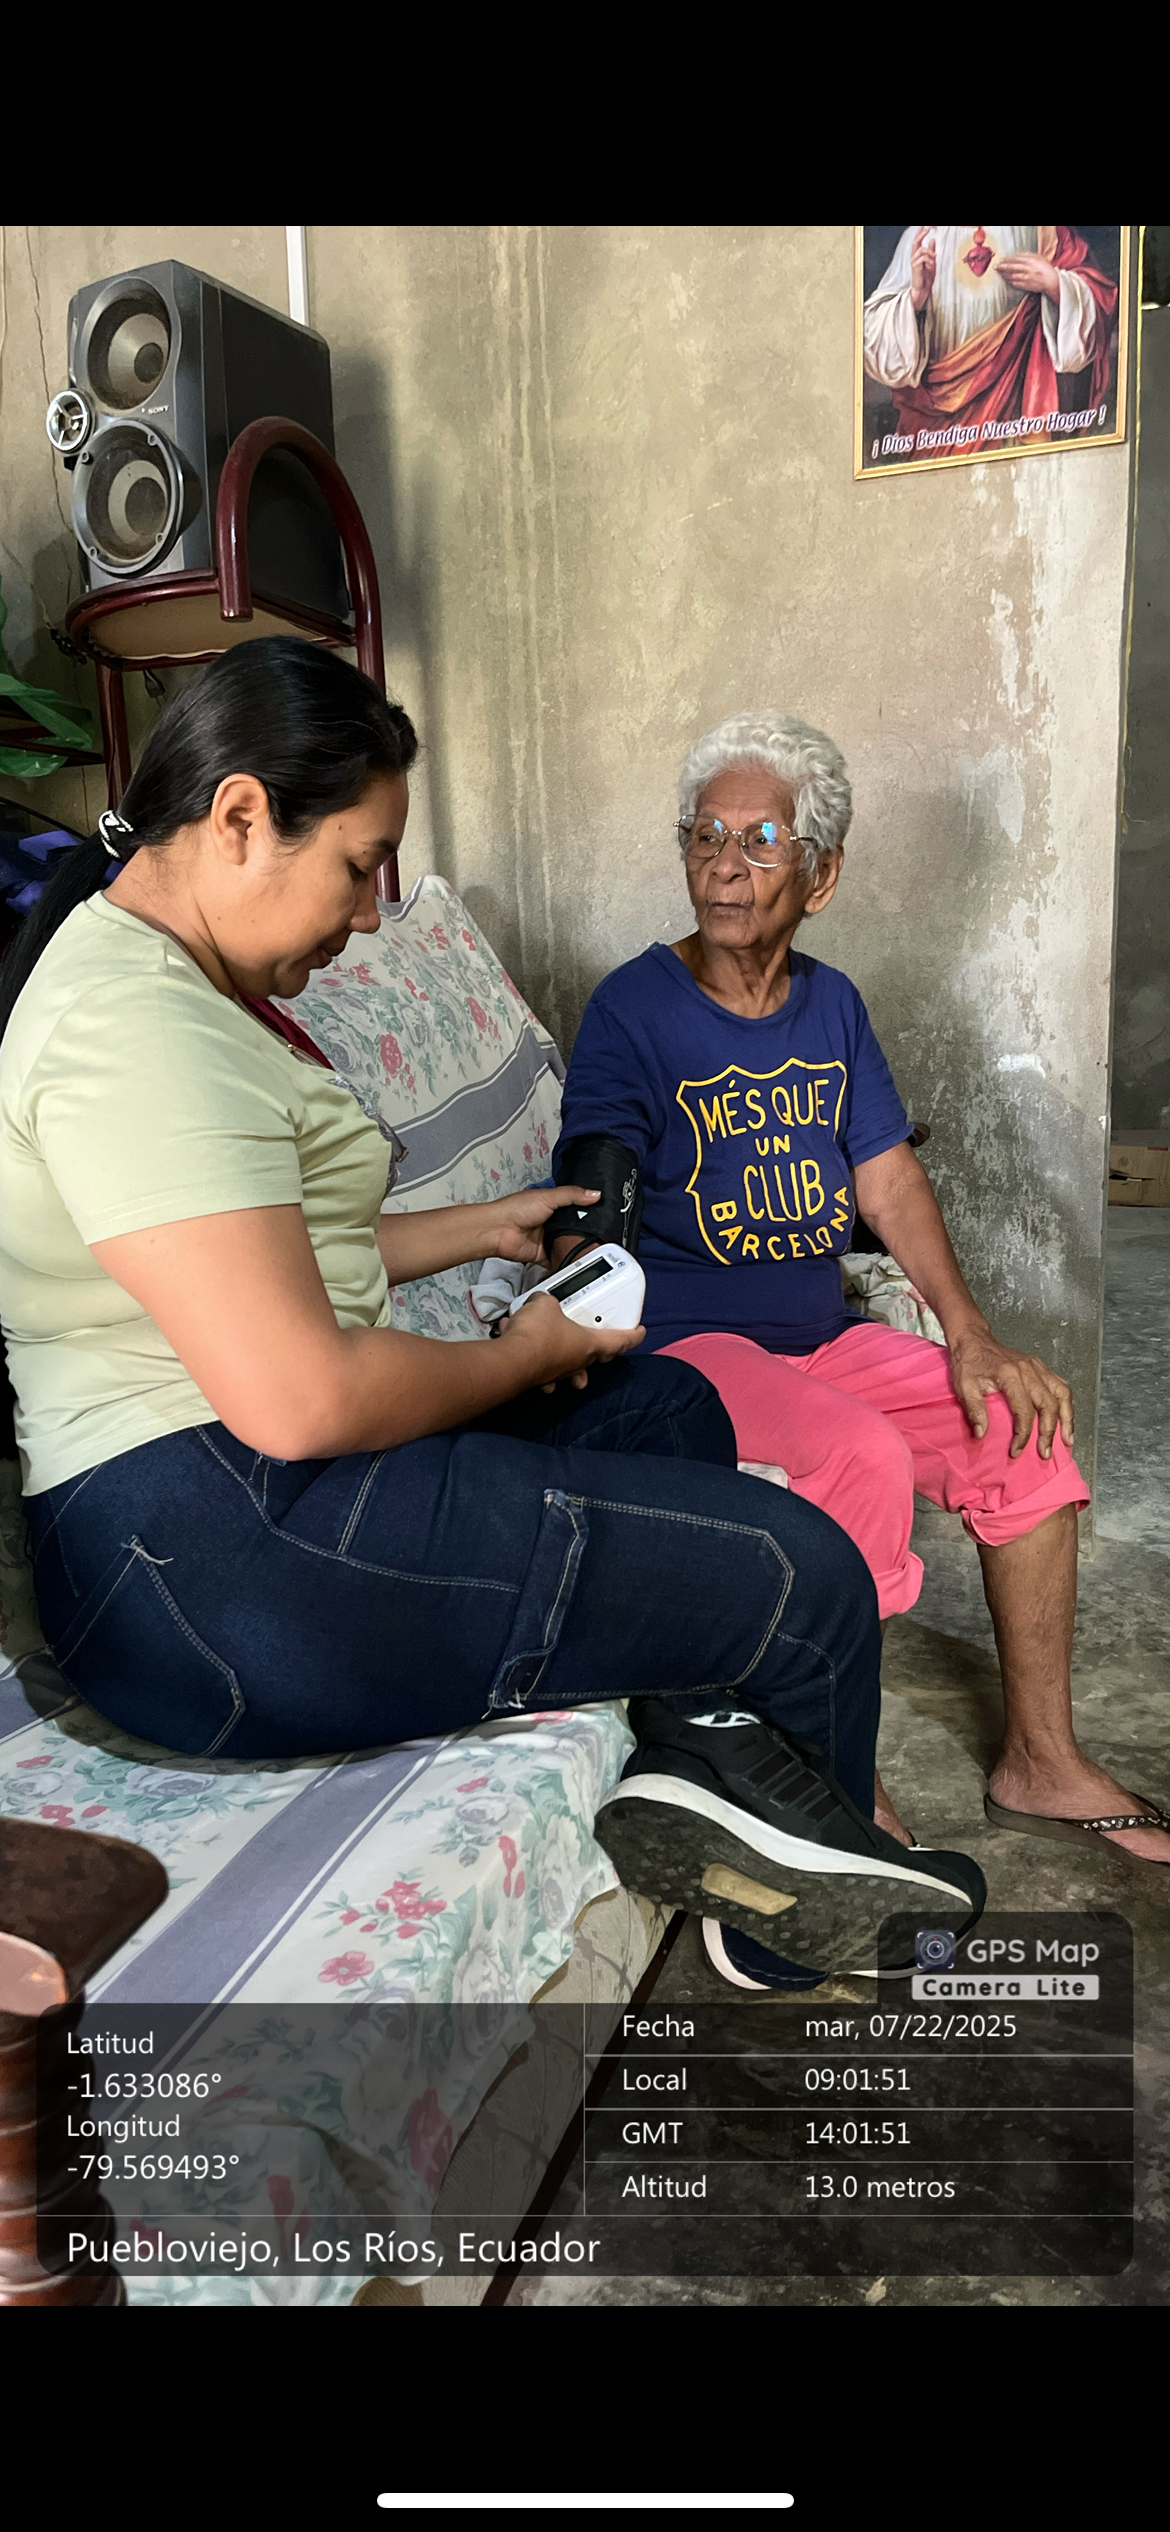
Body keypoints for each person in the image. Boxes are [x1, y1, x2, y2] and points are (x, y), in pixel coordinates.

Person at [0, 642, 984, 1988]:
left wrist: (485, 1226)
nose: (367, 918)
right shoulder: (134, 1026)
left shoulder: (174, 986)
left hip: (227, 1515)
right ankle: (784, 1934)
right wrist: (524, 1351)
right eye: (358, 867)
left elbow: (258, 1258)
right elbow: (303, 1395)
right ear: (238, 817)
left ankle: (712, 1771)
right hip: (209, 1566)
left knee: (666, 1404)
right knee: (799, 1574)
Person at [550, 708, 1170, 1878]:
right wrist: (573, 1317)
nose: (724, 866)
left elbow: (886, 1175)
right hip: (688, 1348)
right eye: (704, 836)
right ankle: (840, 1780)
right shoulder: (633, 1008)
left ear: (821, 875)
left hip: (822, 1335)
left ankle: (1040, 1759)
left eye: (760, 840)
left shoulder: (831, 1004)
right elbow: (594, 1193)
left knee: (1022, 1428)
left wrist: (971, 1334)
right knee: (859, 1456)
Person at [863, 226, 1118, 453]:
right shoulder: (922, 238)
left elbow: (1100, 303)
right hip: (937, 427)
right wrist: (915, 297)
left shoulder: (1045, 231)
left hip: (1019, 412)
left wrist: (1055, 284)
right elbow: (873, 343)